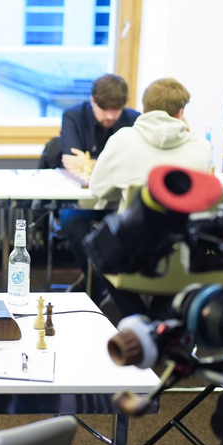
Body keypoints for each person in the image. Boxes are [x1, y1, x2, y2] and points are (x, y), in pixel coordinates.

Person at [88, 78, 210, 318]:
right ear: (180, 112)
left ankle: (137, 318)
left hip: (132, 258)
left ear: (143, 109)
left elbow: (98, 190)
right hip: (185, 262)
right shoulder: (200, 147)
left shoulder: (123, 139)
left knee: (96, 246)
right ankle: (159, 320)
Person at [58, 74, 140, 305]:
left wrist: (90, 161)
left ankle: (96, 285)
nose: (112, 116)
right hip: (83, 200)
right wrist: (112, 164)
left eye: (117, 109)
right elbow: (70, 160)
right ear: (93, 100)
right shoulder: (74, 115)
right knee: (73, 221)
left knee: (130, 225)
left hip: (118, 201)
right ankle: (105, 285)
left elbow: (133, 161)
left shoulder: (134, 119)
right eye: (105, 109)